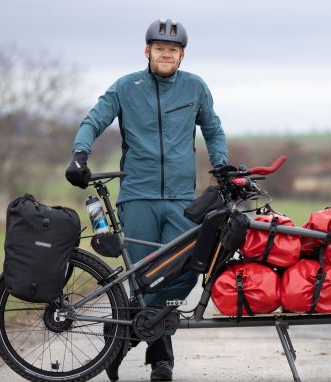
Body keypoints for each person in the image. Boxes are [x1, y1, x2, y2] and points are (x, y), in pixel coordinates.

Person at [65, 18, 228, 382]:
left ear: (181, 56)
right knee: (142, 282)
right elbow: (94, 120)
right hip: (137, 195)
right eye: (159, 49)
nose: (165, 54)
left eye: (172, 50)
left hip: (181, 199)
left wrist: (222, 167)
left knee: (180, 275)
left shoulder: (195, 87)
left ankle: (119, 341)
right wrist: (79, 154)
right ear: (147, 51)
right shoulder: (126, 87)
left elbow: (214, 130)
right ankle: (161, 362)